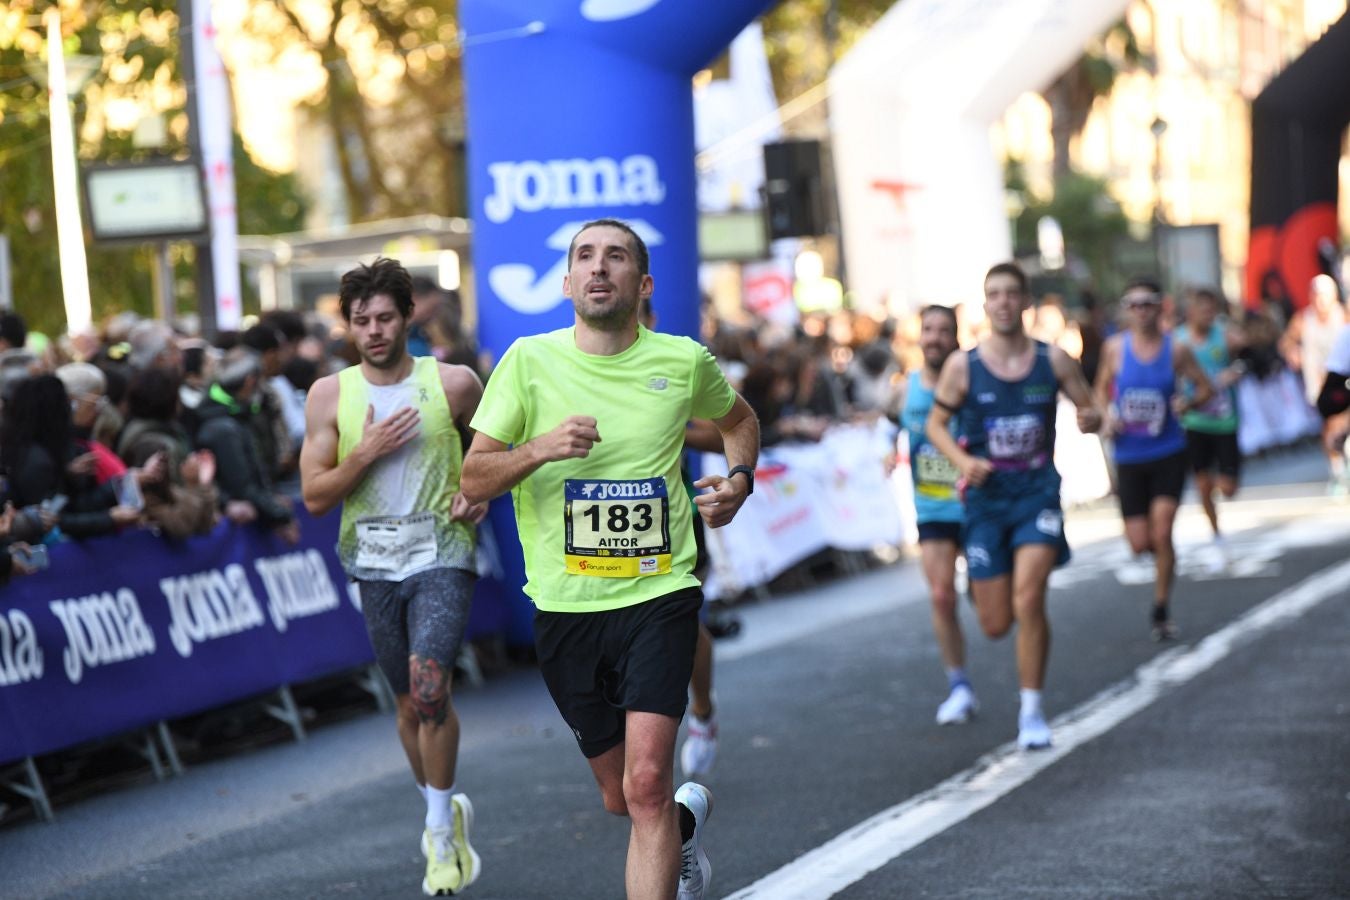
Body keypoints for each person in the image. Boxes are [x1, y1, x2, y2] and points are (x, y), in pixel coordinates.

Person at [460, 218, 760, 900]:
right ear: (566, 283)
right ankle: (681, 831)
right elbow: (472, 481)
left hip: (659, 594)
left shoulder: (682, 362)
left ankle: (667, 818)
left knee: (648, 781)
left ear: (642, 282)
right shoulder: (527, 364)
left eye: (616, 257)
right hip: (566, 607)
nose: (599, 268)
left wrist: (739, 483)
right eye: (585, 258)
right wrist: (539, 449)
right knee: (622, 798)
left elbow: (740, 422)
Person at [299, 258, 487, 897]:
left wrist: (480, 493)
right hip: (373, 564)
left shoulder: (455, 384)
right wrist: (365, 453)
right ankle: (443, 809)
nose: (374, 330)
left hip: (442, 553)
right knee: (407, 703)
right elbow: (315, 495)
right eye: (361, 321)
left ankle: (438, 834)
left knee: (429, 686)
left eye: (385, 318)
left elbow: (495, 455)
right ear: (348, 327)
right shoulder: (330, 395)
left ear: (410, 317)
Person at [926, 261, 1102, 751]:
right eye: (994, 294)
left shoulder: (1056, 359)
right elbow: (936, 426)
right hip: (985, 501)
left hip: (1036, 494)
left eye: (1011, 293)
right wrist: (963, 460)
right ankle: (980, 586)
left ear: (1026, 302)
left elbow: (1091, 409)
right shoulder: (965, 365)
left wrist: (1091, 418)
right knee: (995, 622)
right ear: (986, 305)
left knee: (1030, 599)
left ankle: (1032, 711)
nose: (1003, 302)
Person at [1094, 278, 1213, 640]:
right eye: (1134, 304)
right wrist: (1107, 414)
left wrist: (1187, 402)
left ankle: (1161, 606)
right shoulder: (1115, 349)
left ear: (1160, 307)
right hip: (1129, 454)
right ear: (1126, 310)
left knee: (1162, 531)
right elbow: (1100, 389)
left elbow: (1206, 386)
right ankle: (1162, 560)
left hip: (1168, 451)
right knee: (1139, 542)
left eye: (1148, 303)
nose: (1141, 310)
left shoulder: (1175, 350)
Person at [900, 304, 977, 724]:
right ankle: (959, 685)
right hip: (932, 507)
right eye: (928, 329)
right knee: (940, 595)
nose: (934, 337)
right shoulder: (905, 388)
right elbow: (884, 422)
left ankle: (981, 588)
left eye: (943, 330)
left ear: (956, 336)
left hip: (977, 503)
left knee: (989, 605)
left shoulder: (971, 379)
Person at [1174, 288, 1246, 568]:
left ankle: (1221, 483)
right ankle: (1216, 534)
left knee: (1228, 488)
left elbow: (1249, 353)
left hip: (1224, 419)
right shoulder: (1178, 341)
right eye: (1202, 309)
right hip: (1194, 420)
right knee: (1202, 483)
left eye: (1212, 310)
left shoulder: (1223, 334)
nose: (1208, 315)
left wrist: (1235, 371)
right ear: (1190, 311)